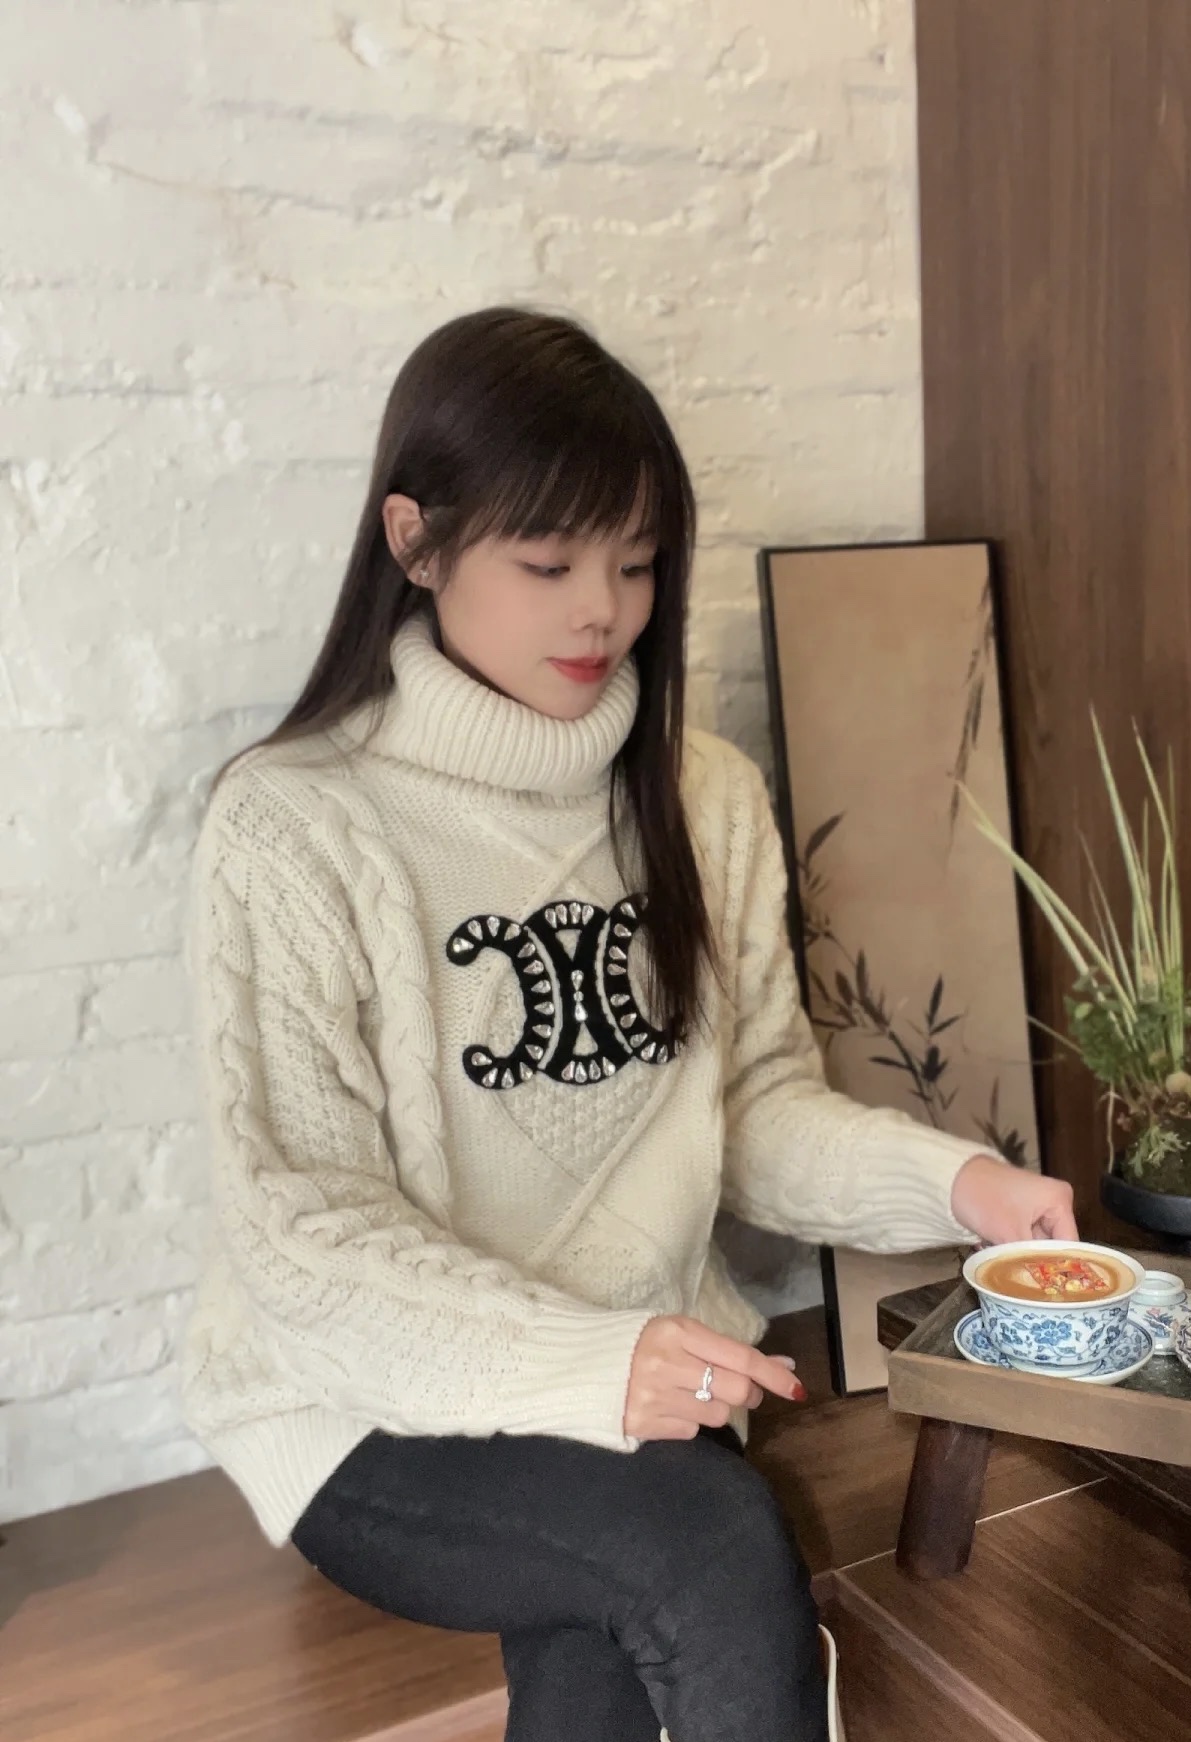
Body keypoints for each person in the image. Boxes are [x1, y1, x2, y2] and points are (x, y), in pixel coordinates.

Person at [180, 307, 1079, 1742]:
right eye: (548, 564)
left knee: (625, 1611)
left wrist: (959, 1184)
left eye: (639, 561)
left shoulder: (701, 795)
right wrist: (594, 1366)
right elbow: (306, 1235)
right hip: (369, 1407)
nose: (602, 610)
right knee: (704, 1546)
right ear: (416, 541)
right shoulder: (294, 825)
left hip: (641, 1390)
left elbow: (754, 1114)